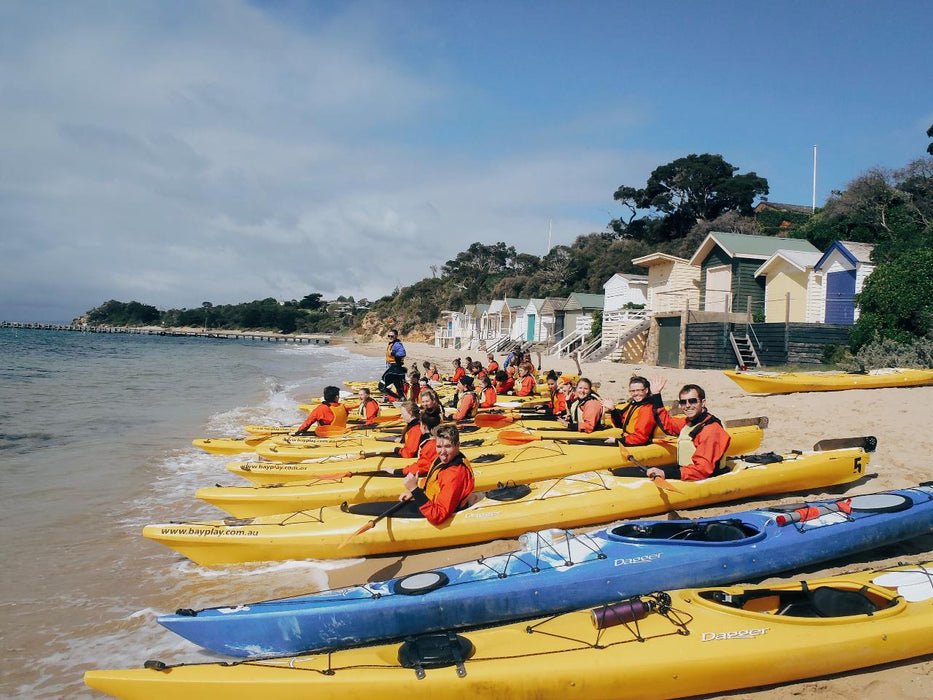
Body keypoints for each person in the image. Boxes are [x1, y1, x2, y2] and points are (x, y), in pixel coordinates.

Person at [616, 377, 731, 482]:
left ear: (703, 402)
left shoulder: (710, 430)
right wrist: (656, 395)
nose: (687, 405)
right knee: (624, 472)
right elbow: (668, 425)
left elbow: (702, 469)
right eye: (683, 402)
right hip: (687, 470)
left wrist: (666, 473)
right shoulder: (690, 422)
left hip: (700, 476)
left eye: (693, 401)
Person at [401, 424, 475, 525]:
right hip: (431, 507)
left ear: (458, 445)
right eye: (439, 446)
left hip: (434, 514)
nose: (442, 452)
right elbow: (433, 486)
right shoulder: (443, 459)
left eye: (448, 446)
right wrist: (414, 493)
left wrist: (414, 489)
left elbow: (438, 516)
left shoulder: (454, 475)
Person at [601, 376, 657, 447]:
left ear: (646, 390)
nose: (636, 393)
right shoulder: (634, 405)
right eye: (633, 391)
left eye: (639, 390)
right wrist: (613, 410)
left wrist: (617, 441)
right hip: (628, 439)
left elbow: (640, 437)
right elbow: (621, 425)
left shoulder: (647, 409)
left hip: (637, 443)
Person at [378, 329, 407, 402]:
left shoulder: (397, 344)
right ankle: (402, 399)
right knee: (398, 386)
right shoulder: (393, 343)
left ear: (396, 336)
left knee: (381, 386)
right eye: (389, 336)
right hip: (396, 370)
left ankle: (389, 398)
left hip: (395, 369)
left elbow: (403, 353)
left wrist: (393, 353)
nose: (390, 337)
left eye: (392, 336)